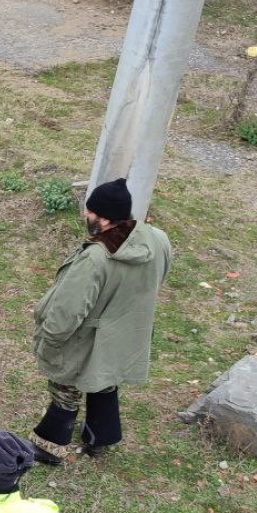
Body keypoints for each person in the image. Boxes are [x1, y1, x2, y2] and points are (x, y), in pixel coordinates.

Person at [29, 178, 172, 464]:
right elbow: (159, 277)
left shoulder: (95, 258)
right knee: (105, 381)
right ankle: (100, 439)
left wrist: (50, 341)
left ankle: (49, 447)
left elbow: (67, 312)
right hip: (127, 333)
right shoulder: (157, 239)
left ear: (104, 218)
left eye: (90, 211)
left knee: (65, 386)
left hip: (87, 337)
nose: (85, 215)